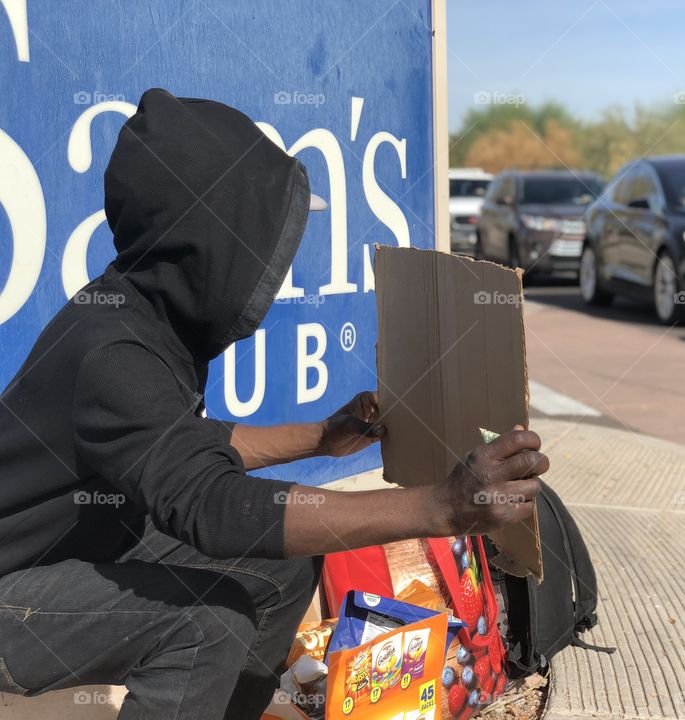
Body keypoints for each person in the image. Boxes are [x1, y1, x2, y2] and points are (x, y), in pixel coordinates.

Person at [0, 89, 547, 719]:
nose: (277, 268)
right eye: (264, 244)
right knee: (207, 625)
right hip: (13, 589)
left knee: (281, 570)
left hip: (79, 549)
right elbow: (211, 507)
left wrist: (320, 436)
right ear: (210, 239)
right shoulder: (114, 350)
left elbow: (185, 450)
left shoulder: (147, 316)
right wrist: (440, 507)